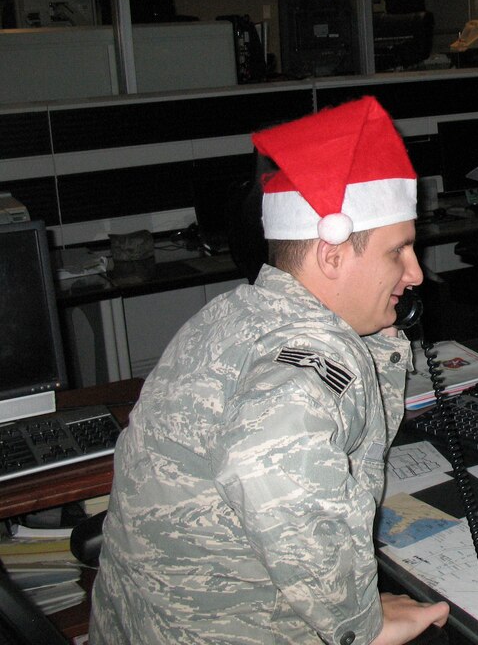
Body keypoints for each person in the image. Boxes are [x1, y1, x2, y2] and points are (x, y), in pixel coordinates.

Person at [89, 97, 450, 645]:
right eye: (398, 251)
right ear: (331, 256)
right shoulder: (317, 349)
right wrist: (361, 623)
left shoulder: (235, 313)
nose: (416, 273)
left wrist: (377, 339)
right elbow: (263, 460)